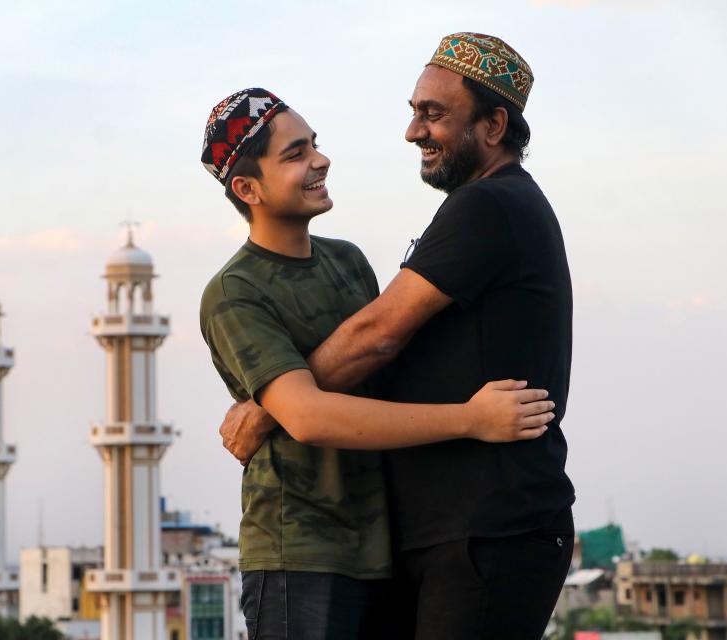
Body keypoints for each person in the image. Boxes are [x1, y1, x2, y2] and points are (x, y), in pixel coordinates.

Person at [198, 86, 556, 639]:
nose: (320, 160)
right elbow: (312, 417)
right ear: (248, 188)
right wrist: (471, 418)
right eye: (295, 155)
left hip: (381, 552)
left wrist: (262, 409)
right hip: (302, 555)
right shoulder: (235, 291)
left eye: (314, 145)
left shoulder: (347, 262)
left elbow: (380, 360)